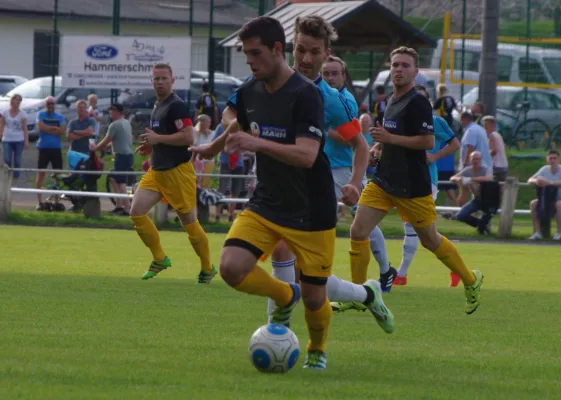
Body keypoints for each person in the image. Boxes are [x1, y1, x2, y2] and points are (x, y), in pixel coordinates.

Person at [189, 16, 392, 370]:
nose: (307, 58)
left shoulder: (323, 98)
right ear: (289, 47)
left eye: (315, 52)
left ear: (326, 54)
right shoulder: (256, 85)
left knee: (316, 293)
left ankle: (322, 341)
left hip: (313, 203)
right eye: (302, 49)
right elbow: (238, 118)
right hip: (269, 199)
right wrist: (213, 147)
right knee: (235, 267)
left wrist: (355, 183)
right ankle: (283, 308)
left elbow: (353, 146)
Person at [347, 46, 483, 315]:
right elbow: (391, 140)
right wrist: (378, 149)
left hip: (412, 186)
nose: (399, 69)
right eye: (395, 65)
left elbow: (427, 142)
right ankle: (358, 294)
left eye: (405, 65)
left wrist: (388, 139)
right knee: (357, 231)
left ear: (415, 72)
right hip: (384, 181)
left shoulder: (418, 102)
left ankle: (470, 279)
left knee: (430, 240)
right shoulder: (389, 102)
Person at [131, 63, 215, 283]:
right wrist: (152, 146)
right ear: (152, 81)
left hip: (177, 172)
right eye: (156, 78)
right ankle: (160, 258)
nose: (159, 82)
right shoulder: (158, 106)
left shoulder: (176, 106)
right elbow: (164, 136)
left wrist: (158, 140)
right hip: (157, 171)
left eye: (163, 78)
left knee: (189, 223)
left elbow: (188, 137)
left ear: (172, 80)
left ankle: (207, 267)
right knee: (136, 212)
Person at [321, 55, 397, 292]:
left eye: (335, 73)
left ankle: (385, 270)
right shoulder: (322, 96)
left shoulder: (346, 101)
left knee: (364, 224)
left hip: (346, 171)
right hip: (325, 168)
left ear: (344, 76)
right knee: (321, 220)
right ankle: (317, 273)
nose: (330, 78)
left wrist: (319, 129)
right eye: (327, 74)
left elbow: (350, 141)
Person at [93, 103, 134, 216]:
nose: (110, 114)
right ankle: (119, 205)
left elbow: (106, 140)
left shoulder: (114, 125)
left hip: (122, 156)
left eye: (111, 112)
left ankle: (127, 209)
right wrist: (109, 146)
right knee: (112, 177)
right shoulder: (126, 122)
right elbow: (122, 139)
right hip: (128, 155)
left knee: (122, 182)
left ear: (117, 112)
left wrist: (95, 148)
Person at [450, 151, 494, 235]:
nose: (476, 161)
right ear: (470, 160)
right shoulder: (468, 170)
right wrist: (458, 179)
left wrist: (470, 179)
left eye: (478, 159)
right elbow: (453, 177)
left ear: (481, 160)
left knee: (487, 214)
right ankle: (481, 225)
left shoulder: (486, 169)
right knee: (461, 216)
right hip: (476, 200)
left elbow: (488, 178)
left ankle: (483, 227)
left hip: (488, 200)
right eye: (474, 159)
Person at [35, 96, 66, 210]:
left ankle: (57, 201)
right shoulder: (41, 115)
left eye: (52, 104)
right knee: (41, 173)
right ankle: (39, 201)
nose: (51, 106)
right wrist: (54, 129)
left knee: (57, 175)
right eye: (49, 103)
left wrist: (48, 129)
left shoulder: (59, 116)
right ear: (45, 104)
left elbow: (62, 131)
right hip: (43, 148)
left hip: (56, 148)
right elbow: (41, 127)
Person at [528, 150, 561, 240]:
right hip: (546, 198)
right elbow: (530, 179)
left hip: (559, 198)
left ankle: (559, 232)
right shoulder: (544, 169)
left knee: (559, 204)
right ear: (547, 159)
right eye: (551, 158)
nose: (553, 160)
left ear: (558, 159)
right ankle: (537, 232)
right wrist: (537, 181)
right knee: (533, 204)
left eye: (555, 158)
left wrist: (550, 183)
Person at [0, 93, 29, 180]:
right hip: (7, 138)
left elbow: (25, 128)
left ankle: (16, 177)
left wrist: (26, 140)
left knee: (17, 161)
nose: (18, 102)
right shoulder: (5, 112)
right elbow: (2, 125)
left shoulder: (22, 114)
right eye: (16, 99)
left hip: (19, 139)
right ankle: (7, 176)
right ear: (12, 101)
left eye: (19, 100)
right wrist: (1, 134)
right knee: (7, 159)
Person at [482, 115, 508, 182]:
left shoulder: (492, 135)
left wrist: (483, 155)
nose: (484, 127)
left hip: (496, 166)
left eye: (484, 125)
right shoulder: (498, 135)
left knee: (492, 187)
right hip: (504, 166)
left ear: (487, 125)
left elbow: (494, 151)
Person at [193, 114, 215, 189]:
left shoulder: (212, 133)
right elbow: (193, 145)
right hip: (196, 160)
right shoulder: (193, 132)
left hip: (208, 161)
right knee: (195, 181)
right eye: (208, 122)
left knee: (205, 182)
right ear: (202, 122)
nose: (210, 124)